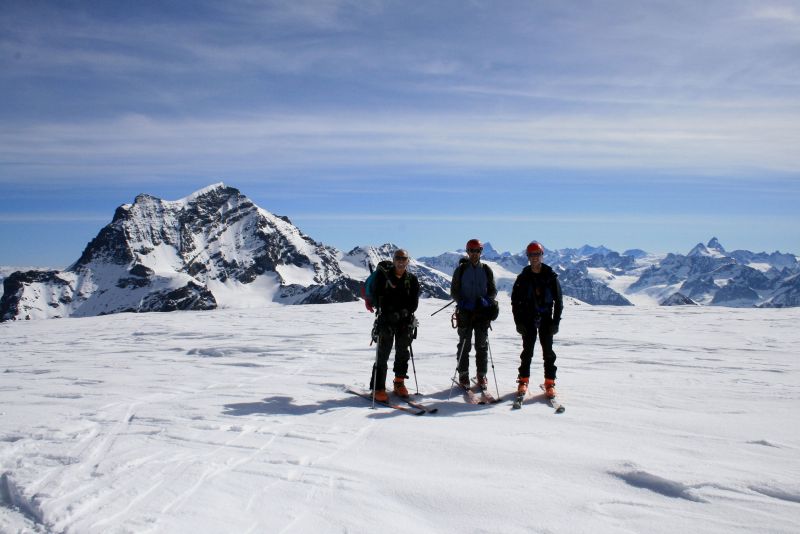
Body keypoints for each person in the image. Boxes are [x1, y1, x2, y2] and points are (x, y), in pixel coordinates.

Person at [511, 241, 563, 398]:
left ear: (542, 255)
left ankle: (550, 382)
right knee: (527, 351)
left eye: (537, 254)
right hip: (528, 318)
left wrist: (556, 322)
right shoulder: (522, 278)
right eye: (531, 254)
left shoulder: (551, 277)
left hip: (546, 318)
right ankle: (523, 380)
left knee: (548, 352)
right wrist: (518, 322)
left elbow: (559, 301)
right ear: (528, 256)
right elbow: (515, 302)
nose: (534, 257)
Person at [369, 248, 420, 402]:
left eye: (403, 259)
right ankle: (378, 388)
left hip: (404, 322)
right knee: (383, 354)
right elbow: (377, 299)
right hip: (386, 321)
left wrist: (405, 312)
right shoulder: (383, 277)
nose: (400, 261)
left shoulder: (411, 280)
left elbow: (414, 303)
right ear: (393, 260)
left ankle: (399, 382)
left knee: (402, 352)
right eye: (398, 258)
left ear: (408, 261)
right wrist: (390, 312)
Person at [450, 239, 498, 390]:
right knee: (464, 345)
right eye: (472, 250)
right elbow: (454, 291)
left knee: (481, 345)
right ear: (467, 252)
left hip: (482, 313)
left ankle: (481, 375)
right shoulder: (461, 270)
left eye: (477, 250)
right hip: (465, 312)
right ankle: (463, 374)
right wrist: (463, 303)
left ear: (481, 252)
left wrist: (487, 300)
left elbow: (493, 290)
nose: (474, 253)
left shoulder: (487, 270)